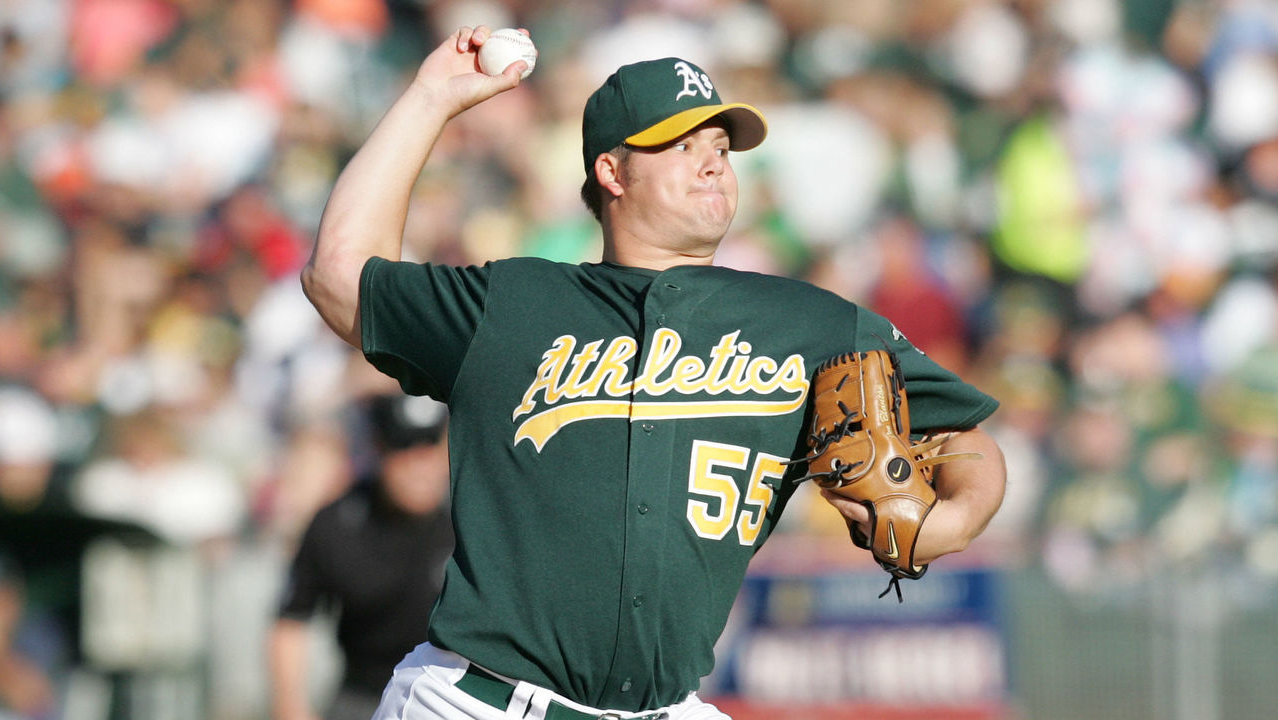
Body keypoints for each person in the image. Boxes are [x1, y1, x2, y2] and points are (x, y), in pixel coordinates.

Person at [301, 25, 1007, 720]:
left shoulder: (812, 325)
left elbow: (968, 440)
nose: (713, 164)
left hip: (667, 709)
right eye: (682, 145)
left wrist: (958, 518)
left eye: (722, 149)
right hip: (477, 703)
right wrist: (430, 97)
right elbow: (338, 276)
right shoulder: (510, 305)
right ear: (612, 171)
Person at [268, 394, 454, 720]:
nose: (419, 465)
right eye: (404, 449)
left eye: (428, 449)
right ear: (378, 450)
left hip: (449, 700)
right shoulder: (338, 523)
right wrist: (291, 706)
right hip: (362, 696)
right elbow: (292, 619)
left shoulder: (468, 522)